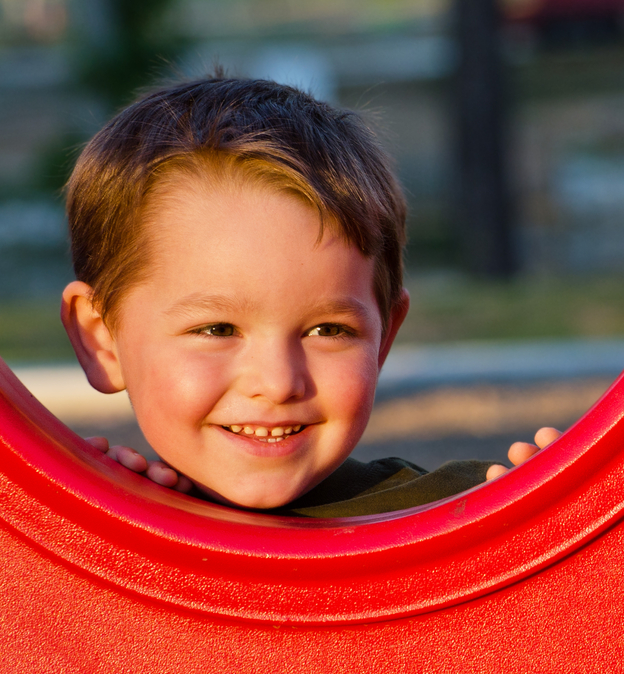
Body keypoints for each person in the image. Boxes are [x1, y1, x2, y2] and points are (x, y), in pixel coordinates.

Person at [60, 75, 559, 517]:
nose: (278, 384)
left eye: (328, 330)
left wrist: (565, 533)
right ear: (102, 339)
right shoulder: (88, 532)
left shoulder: (465, 512)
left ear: (384, 336)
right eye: (217, 329)